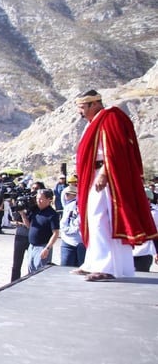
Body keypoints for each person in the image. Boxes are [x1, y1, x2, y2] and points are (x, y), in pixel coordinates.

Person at [74, 89, 158, 281]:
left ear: (93, 104)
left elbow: (116, 149)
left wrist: (104, 173)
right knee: (95, 219)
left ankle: (106, 267)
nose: (80, 112)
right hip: (94, 175)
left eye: (81, 107)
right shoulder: (94, 122)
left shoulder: (110, 118)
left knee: (102, 219)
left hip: (108, 177)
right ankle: (96, 262)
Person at [20, 188, 59, 273]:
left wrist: (47, 248)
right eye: (37, 198)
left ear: (49, 200)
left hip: (43, 246)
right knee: (30, 270)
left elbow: (56, 233)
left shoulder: (52, 214)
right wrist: (22, 214)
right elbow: (29, 226)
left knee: (40, 272)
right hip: (32, 246)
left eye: (41, 199)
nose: (38, 201)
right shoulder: (35, 210)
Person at [59, 185, 85, 267]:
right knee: (65, 267)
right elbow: (64, 222)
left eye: (68, 194)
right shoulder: (67, 206)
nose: (65, 196)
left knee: (80, 266)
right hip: (67, 241)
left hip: (81, 242)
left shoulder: (80, 206)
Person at [132, 188, 158, 272]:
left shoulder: (153, 214)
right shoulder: (130, 211)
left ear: (149, 200)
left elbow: (155, 234)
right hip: (128, 252)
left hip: (144, 253)